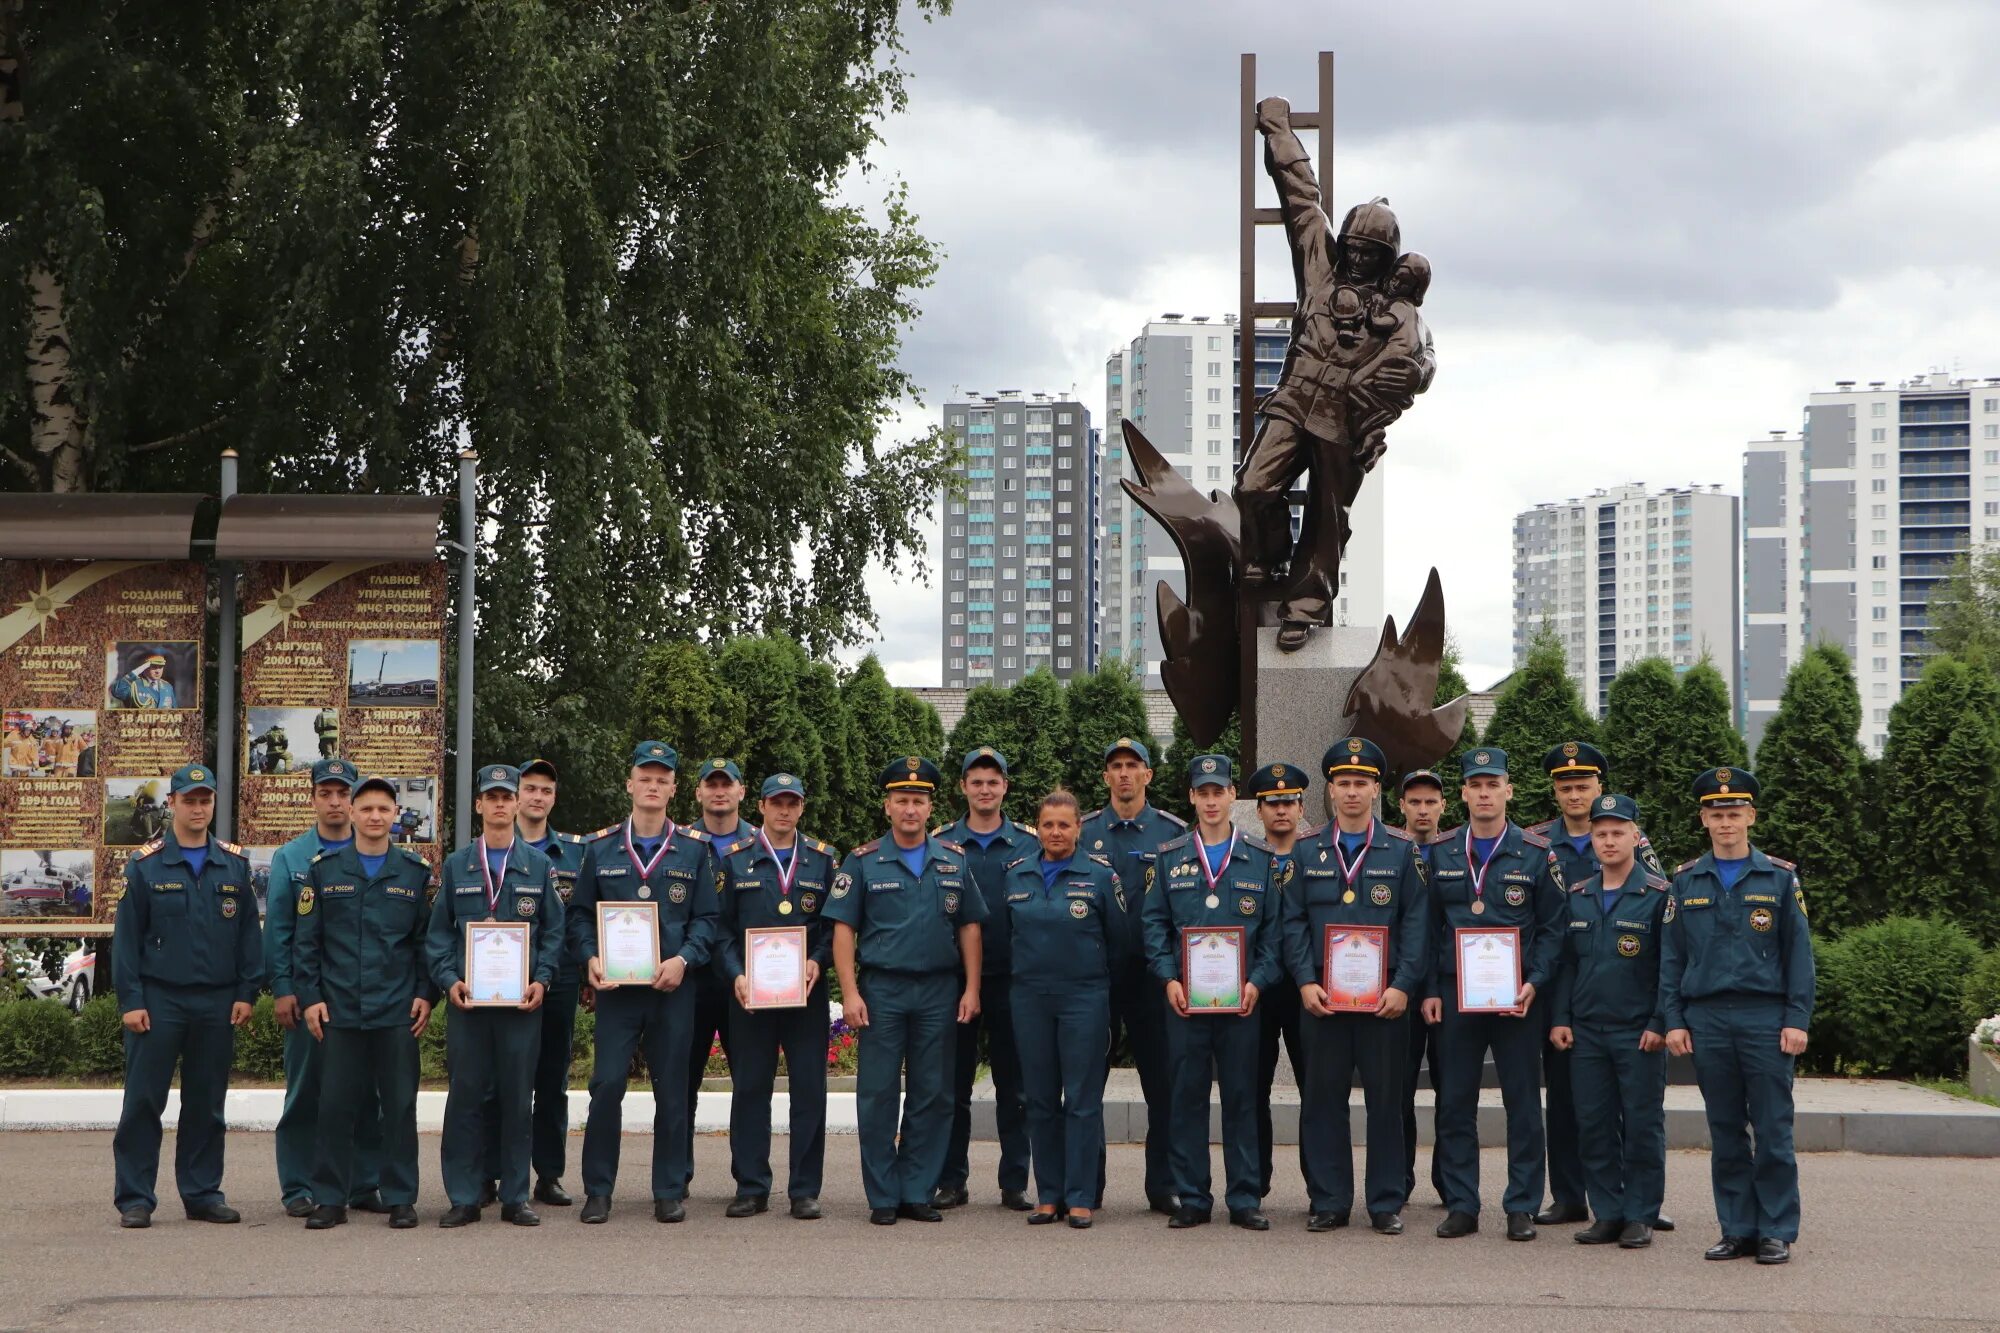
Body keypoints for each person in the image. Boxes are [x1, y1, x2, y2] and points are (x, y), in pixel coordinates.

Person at [1661, 767, 1815, 1266]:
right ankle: (1736, 1228)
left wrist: (1797, 1018)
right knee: (1725, 1130)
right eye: (1715, 814)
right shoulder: (1687, 881)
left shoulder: (1779, 877)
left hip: (1764, 1018)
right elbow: (1672, 958)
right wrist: (1675, 1019)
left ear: (1750, 815)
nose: (1725, 822)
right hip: (1707, 1019)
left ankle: (1775, 1229)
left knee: (1772, 1129)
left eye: (1734, 813)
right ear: (1704, 819)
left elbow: (1799, 956)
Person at [825, 757, 987, 1226]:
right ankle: (882, 1195)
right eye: (902, 801)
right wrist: (850, 993)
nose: (911, 809)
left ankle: (917, 1189)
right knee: (877, 1093)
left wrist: (971, 988)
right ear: (888, 806)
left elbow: (970, 929)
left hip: (939, 989)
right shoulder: (863, 861)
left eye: (919, 800)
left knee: (931, 1094)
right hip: (883, 991)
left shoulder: (953, 861)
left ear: (930, 805)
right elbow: (842, 930)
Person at [567, 741, 721, 1225]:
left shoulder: (694, 851)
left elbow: (707, 921)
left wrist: (684, 960)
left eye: (662, 779)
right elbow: (578, 917)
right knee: (606, 1085)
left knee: (672, 1089)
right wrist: (590, 958)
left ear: (674, 789)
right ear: (630, 784)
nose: (653, 785)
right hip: (617, 994)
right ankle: (598, 1190)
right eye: (645, 777)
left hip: (672, 990)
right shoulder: (601, 848)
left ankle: (669, 1189)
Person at [1285, 738, 1430, 1234]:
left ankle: (1385, 1201)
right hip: (1322, 1002)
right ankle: (1329, 1200)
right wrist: (1304, 981)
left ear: (1375, 790)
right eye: (1343, 783)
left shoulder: (1403, 851)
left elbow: (1416, 924)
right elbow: (1293, 923)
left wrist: (1404, 986)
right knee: (1322, 1100)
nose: (1351, 792)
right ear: (1330, 790)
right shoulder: (1307, 852)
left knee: (1386, 1102)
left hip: (1384, 1003)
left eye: (1361, 783)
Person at [1420, 748, 1564, 1241]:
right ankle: (1462, 1204)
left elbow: (1552, 929)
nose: (1484, 793)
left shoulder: (1536, 853)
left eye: (1492, 784)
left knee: (1522, 1104)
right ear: (1462, 793)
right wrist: (1431, 989)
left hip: (1516, 1000)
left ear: (1509, 791)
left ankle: (1521, 1205)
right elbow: (1428, 927)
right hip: (1456, 999)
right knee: (1455, 1103)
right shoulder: (1439, 853)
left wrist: (1534, 982)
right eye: (1475, 785)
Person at [1526, 741, 1670, 1230]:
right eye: (1566, 787)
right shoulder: (1540, 843)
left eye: (1583, 786)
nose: (1574, 794)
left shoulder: (1633, 839)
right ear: (1555, 791)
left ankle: (1640, 1205)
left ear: (1598, 788)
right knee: (1572, 1106)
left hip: (1628, 1000)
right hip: (1566, 995)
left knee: (1634, 1113)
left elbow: (1658, 919)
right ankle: (1570, 1196)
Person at [110, 763, 260, 1228]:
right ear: (171, 804)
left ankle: (202, 1193)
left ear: (214, 803)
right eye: (189, 799)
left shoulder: (233, 864)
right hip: (159, 1000)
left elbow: (248, 938)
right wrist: (131, 1000)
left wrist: (246, 991)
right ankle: (135, 1197)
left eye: (205, 799)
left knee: (206, 1103)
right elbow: (127, 940)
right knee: (143, 1102)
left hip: (217, 1002)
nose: (198, 808)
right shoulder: (146, 865)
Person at [1143, 754, 1284, 1231]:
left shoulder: (1259, 859)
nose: (1210, 800)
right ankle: (1194, 1198)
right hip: (1186, 1004)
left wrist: (1256, 983)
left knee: (1242, 1097)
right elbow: (1154, 926)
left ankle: (1244, 1197)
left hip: (1241, 1003)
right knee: (1187, 1097)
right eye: (1201, 792)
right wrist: (1169, 979)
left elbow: (1273, 934)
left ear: (1231, 797)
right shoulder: (1169, 859)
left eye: (1218, 791)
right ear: (1191, 797)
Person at [293, 776, 437, 1230]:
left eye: (383, 809)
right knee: (335, 1106)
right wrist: (311, 999)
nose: (375, 816)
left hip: (396, 1012)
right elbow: (306, 944)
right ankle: (330, 1198)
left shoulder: (414, 874)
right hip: (339, 1011)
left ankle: (399, 1197)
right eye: (367, 808)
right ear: (352, 814)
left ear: (396, 816)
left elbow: (425, 944)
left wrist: (425, 995)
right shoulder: (324, 871)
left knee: (398, 1107)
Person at [426, 765, 563, 1227]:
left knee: (516, 1096)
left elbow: (553, 934)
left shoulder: (540, 867)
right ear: (479, 805)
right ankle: (464, 1195)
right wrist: (448, 980)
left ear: (518, 804)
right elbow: (439, 935)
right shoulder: (456, 865)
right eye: (493, 797)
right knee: (466, 1096)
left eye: (508, 796)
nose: (502, 804)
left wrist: (542, 979)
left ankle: (515, 1195)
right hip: (469, 1004)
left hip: (521, 1004)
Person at [716, 773, 840, 1220]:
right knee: (750, 1088)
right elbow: (721, 931)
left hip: (805, 993)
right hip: (751, 996)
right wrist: (735, 974)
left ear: (802, 807)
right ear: (762, 807)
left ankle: (805, 1189)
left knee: (810, 1090)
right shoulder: (734, 862)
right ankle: (751, 1186)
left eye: (793, 803)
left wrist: (818, 961)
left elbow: (833, 928)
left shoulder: (823, 861)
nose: (784, 810)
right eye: (776, 802)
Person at [1005, 789, 1129, 1229]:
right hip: (1030, 999)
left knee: (1081, 1100)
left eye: (1064, 824)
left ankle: (1080, 1196)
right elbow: (1006, 940)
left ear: (1079, 828)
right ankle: (1048, 1194)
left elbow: (1120, 944)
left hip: (1083, 998)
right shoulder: (1016, 875)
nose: (1055, 832)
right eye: (1048, 825)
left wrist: (1097, 992)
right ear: (1036, 829)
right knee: (1038, 1099)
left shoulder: (1099, 877)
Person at [266, 758, 382, 1219]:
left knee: (366, 1091)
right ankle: (298, 1185)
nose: (334, 802)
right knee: (306, 1091)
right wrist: (282, 987)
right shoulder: (292, 858)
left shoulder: (370, 854)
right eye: (326, 793)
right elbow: (279, 928)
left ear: (353, 802)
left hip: (362, 996)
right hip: (309, 994)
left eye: (342, 794)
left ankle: (363, 1182)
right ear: (313, 798)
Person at [1076, 736, 1186, 1213]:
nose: (1123, 773)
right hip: (1094, 976)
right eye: (1115, 765)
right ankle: (1088, 1185)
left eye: (1132, 766)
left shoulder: (1171, 834)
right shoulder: (1082, 833)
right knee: (1086, 1083)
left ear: (1148, 776)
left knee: (1161, 1083)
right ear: (1105, 777)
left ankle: (1163, 1185)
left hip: (1150, 975)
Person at [477, 758, 586, 1208]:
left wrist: (587, 974)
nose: (538, 796)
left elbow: (579, 920)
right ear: (515, 796)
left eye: (546, 789)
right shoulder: (485, 850)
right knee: (497, 1080)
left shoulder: (576, 854)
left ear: (553, 798)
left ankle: (548, 1174)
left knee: (551, 1079)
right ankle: (489, 1173)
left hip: (556, 980)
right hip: (498, 982)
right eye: (531, 788)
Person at [935, 745, 1036, 1212]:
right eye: (976, 781)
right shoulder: (941, 843)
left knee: (1015, 1087)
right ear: (963, 787)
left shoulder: (1029, 843)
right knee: (952, 1085)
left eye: (993, 781)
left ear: (1005, 787)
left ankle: (1014, 1180)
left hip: (1014, 979)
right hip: (954, 980)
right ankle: (952, 1180)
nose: (985, 789)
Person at [685, 757, 752, 1193]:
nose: (719, 792)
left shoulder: (762, 845)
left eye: (727, 784)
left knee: (748, 1080)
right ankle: (677, 1176)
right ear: (698, 793)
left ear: (742, 792)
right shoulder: (681, 844)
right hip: (691, 978)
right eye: (711, 784)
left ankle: (748, 1178)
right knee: (681, 1081)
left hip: (744, 980)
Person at [1246, 761, 1311, 1202]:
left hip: (1309, 990)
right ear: (1259, 811)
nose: (1281, 810)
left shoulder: (1318, 856)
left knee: (1316, 1090)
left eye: (1289, 802)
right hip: (1257, 990)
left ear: (1302, 806)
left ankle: (1320, 1189)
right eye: (1272, 803)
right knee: (1253, 1089)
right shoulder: (1247, 859)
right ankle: (1255, 1182)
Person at [1396, 768, 1447, 1207]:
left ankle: (1450, 1183)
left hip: (1450, 993)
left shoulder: (1457, 855)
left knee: (1451, 1092)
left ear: (1444, 806)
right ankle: (1399, 1181)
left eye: (1431, 802)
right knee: (1399, 1092)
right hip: (1403, 992)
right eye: (1415, 802)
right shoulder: (1390, 854)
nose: (1423, 810)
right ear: (1402, 807)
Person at [111, 653, 178, 708]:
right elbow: (117, 692)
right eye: (154, 667)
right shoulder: (134, 685)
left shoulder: (167, 687)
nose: (158, 671)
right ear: (145, 668)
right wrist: (137, 671)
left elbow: (175, 710)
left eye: (160, 667)